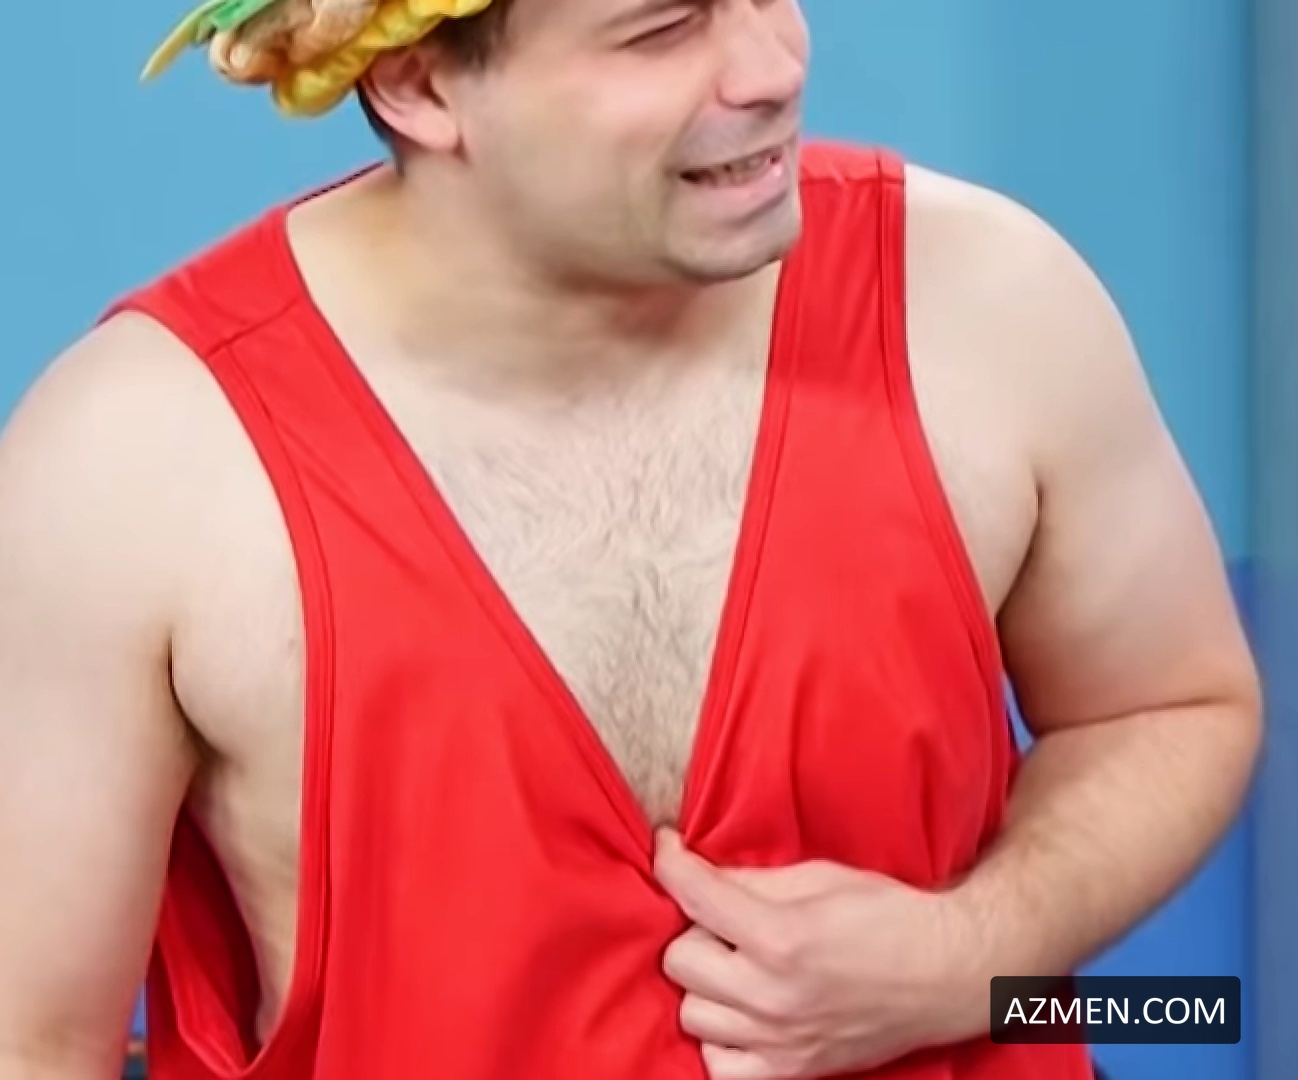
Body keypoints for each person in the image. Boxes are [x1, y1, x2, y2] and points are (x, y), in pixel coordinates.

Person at [0, 0, 1262, 1078]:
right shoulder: (138, 459)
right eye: (662, 29)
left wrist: (972, 961)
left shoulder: (985, 299)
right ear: (419, 85)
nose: (771, 65)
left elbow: (1171, 709)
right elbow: (33, 1044)